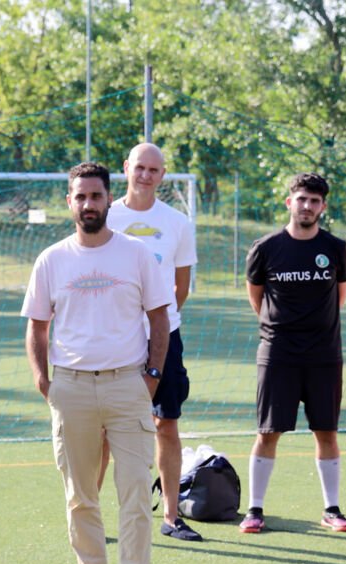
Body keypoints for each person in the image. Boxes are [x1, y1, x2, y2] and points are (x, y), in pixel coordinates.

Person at [22, 162, 172, 564]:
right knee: (80, 493)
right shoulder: (52, 259)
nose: (89, 204)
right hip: (70, 387)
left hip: (128, 384)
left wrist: (150, 377)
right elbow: (37, 326)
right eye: (80, 197)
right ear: (69, 203)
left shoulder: (136, 254)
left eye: (96, 196)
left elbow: (159, 318)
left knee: (134, 492)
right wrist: (44, 380)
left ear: (110, 200)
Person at [240, 172, 346, 533]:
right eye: (301, 199)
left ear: (323, 206)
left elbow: (341, 295)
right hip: (278, 353)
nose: (307, 206)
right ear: (289, 202)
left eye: (315, 201)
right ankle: (254, 510)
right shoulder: (266, 247)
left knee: (327, 432)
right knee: (268, 432)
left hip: (324, 354)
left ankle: (331, 509)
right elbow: (256, 297)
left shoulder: (336, 249)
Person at [103, 142, 202, 541]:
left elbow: (181, 287)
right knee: (103, 431)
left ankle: (172, 517)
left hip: (164, 337)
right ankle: (93, 518)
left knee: (166, 424)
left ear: (163, 175)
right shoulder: (105, 216)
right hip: (112, 337)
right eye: (139, 167)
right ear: (126, 168)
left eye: (153, 170)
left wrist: (157, 323)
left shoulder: (177, 222)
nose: (145, 175)